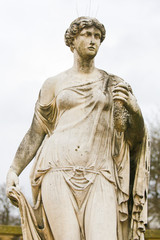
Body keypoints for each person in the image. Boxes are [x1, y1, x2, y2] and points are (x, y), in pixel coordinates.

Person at [6, 17, 150, 240]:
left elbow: (135, 137)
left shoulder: (114, 83)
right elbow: (36, 132)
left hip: (101, 171)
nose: (93, 41)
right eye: (87, 35)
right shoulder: (53, 84)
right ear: (72, 41)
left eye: (97, 37)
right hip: (57, 169)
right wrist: (14, 169)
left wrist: (135, 110)